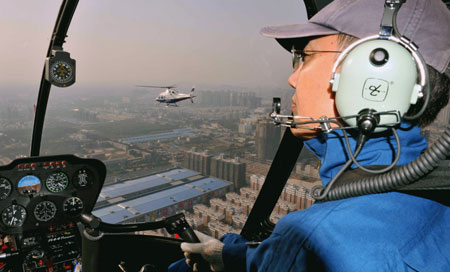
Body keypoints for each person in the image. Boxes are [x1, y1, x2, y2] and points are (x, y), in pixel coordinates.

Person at [169, 0, 450, 271]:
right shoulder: (429, 194)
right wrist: (226, 255)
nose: (292, 77)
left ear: (372, 79)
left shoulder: (315, 240)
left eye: (304, 56)